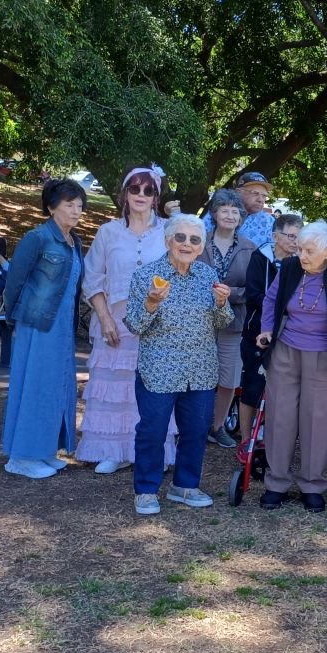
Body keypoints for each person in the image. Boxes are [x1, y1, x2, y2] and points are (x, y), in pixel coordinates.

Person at [255, 220, 327, 511]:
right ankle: (276, 483)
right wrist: (267, 329)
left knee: (317, 420)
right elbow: (271, 300)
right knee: (280, 416)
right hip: (286, 349)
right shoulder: (292, 267)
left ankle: (312, 484)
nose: (302, 256)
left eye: (309, 251)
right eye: (299, 249)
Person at [126, 215, 233, 515]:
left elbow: (223, 322)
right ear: (168, 240)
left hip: (200, 370)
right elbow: (134, 325)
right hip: (159, 370)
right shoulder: (146, 276)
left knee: (197, 430)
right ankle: (146, 490)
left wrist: (223, 304)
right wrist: (150, 303)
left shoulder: (207, 275)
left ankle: (185, 485)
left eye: (194, 240)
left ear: (201, 247)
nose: (187, 244)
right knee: (153, 431)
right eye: (181, 238)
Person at [76, 165, 173, 475]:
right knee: (116, 387)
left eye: (148, 190)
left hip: (157, 324)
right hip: (117, 322)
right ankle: (113, 451)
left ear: (157, 197)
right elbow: (92, 277)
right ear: (125, 193)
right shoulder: (108, 232)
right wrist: (104, 319)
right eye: (135, 189)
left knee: (150, 390)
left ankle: (146, 451)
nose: (141, 195)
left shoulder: (170, 232)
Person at [0, 180, 87, 479]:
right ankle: (21, 457)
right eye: (69, 205)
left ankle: (44, 451)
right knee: (35, 387)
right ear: (51, 207)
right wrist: (14, 319)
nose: (76, 211)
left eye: (79, 206)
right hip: (37, 324)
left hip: (62, 327)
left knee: (57, 387)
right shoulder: (37, 237)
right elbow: (15, 281)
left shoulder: (74, 241)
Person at [199, 189, 259, 448]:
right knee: (198, 375)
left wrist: (230, 293)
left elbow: (256, 289)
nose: (230, 215)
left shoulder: (250, 248)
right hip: (199, 320)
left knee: (228, 378)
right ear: (214, 213)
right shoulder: (198, 241)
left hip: (234, 323)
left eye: (235, 211)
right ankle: (193, 425)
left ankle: (217, 425)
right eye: (225, 210)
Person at [238, 213, 303, 436]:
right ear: (276, 236)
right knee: (252, 387)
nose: (296, 241)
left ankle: (273, 438)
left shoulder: (303, 262)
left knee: (282, 391)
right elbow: (254, 294)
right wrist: (279, 305)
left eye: (299, 236)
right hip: (257, 332)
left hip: (290, 335)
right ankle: (246, 440)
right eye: (291, 236)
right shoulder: (260, 257)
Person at [203, 171, 276, 248]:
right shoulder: (217, 213)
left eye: (264, 195)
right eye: (255, 193)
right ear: (239, 192)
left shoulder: (269, 222)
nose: (260, 199)